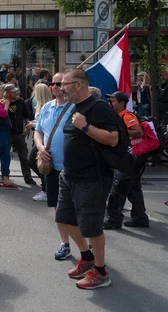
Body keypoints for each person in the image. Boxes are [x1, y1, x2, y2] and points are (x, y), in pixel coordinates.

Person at [55, 68, 120, 289]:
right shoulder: (75, 107)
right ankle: (86, 258)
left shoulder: (99, 107)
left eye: (64, 84)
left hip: (91, 178)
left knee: (91, 227)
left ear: (78, 85)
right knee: (64, 220)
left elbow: (113, 139)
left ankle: (101, 273)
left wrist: (85, 126)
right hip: (69, 175)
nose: (60, 88)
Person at [33, 73, 75, 260]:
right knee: (57, 206)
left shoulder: (75, 108)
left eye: (60, 83)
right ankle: (64, 243)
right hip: (52, 166)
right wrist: (40, 147)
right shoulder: (47, 107)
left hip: (73, 167)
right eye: (53, 83)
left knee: (78, 206)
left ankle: (87, 244)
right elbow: (38, 132)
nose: (56, 87)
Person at [103, 91, 149, 229]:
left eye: (113, 101)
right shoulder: (118, 116)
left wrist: (119, 132)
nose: (110, 103)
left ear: (122, 103)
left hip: (131, 158)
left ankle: (113, 219)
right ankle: (140, 217)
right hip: (131, 158)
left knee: (118, 187)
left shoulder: (127, 116)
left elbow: (138, 131)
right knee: (133, 188)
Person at [27, 83, 54, 201]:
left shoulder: (46, 107)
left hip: (42, 139)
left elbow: (41, 124)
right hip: (41, 138)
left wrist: (31, 124)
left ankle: (46, 188)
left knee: (35, 162)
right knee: (37, 162)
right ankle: (46, 186)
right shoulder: (42, 106)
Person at [4, 84, 35, 185]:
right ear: (8, 93)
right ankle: (5, 176)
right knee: (6, 156)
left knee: (24, 156)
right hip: (7, 133)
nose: (15, 93)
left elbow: (26, 115)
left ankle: (28, 177)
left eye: (15, 91)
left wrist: (26, 126)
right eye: (13, 92)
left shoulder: (20, 102)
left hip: (18, 133)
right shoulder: (3, 102)